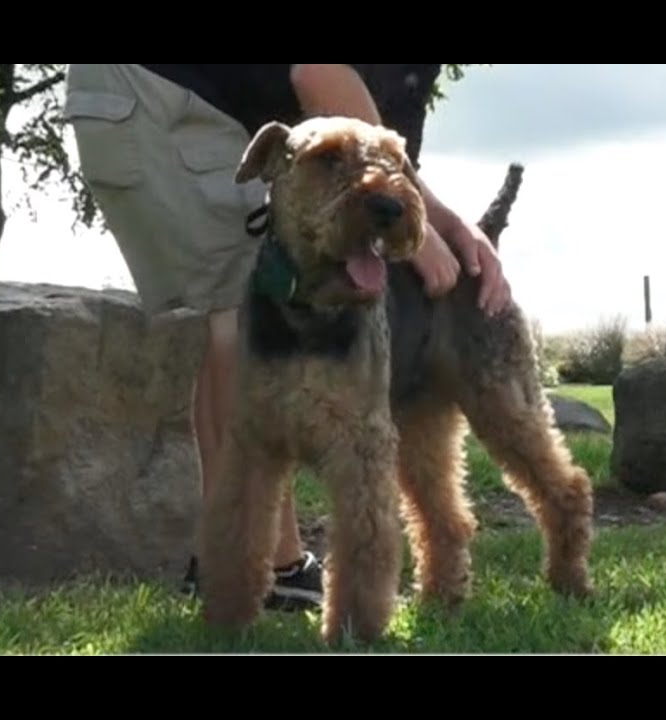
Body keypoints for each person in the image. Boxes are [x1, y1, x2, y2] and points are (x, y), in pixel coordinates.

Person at [62, 64, 511, 611]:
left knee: (226, 315)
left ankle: (242, 567)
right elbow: (316, 73)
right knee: (239, 312)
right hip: (162, 98)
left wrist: (441, 220)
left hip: (156, 101)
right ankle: (270, 570)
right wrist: (424, 233)